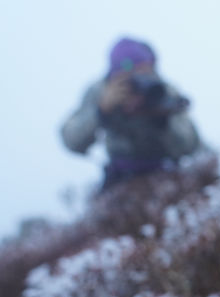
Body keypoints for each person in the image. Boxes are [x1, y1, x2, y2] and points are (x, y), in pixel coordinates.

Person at [61, 37, 200, 189]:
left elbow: (191, 145)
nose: (140, 81)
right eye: (130, 76)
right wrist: (101, 112)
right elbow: (71, 141)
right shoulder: (101, 92)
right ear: (115, 77)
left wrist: (161, 118)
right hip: (119, 179)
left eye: (145, 72)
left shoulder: (163, 91)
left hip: (166, 174)